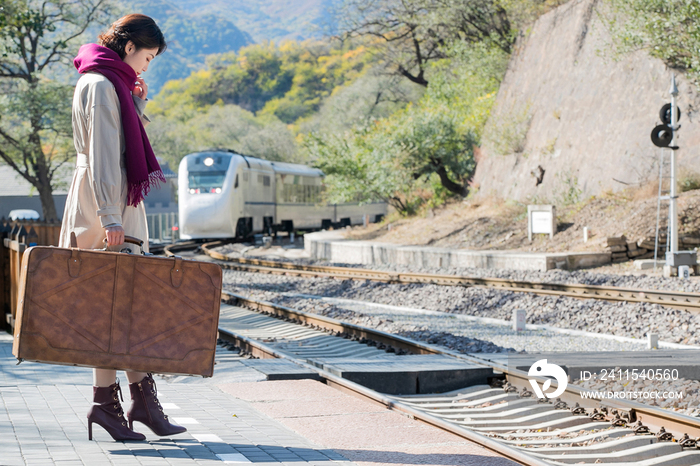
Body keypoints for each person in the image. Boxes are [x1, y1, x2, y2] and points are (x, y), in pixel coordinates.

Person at [59, 14, 186, 442]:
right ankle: (109, 403)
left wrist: (138, 105)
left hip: (112, 199)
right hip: (105, 203)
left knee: (124, 305)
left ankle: (137, 402)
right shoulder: (99, 85)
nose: (147, 66)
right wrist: (110, 218)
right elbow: (103, 154)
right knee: (111, 308)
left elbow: (117, 144)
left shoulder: (109, 81)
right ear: (130, 47)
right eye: (148, 56)